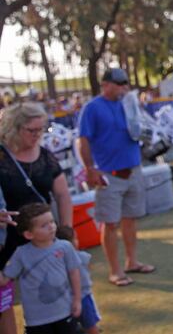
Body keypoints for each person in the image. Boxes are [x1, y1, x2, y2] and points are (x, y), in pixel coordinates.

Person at [78, 68, 155, 287]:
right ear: (106, 85)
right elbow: (83, 140)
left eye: (125, 84)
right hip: (109, 175)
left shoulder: (128, 103)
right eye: (119, 83)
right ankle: (115, 270)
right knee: (110, 223)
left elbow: (142, 128)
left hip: (133, 169)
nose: (123, 87)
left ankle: (132, 261)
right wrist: (89, 168)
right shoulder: (92, 108)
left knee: (131, 219)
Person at [0, 102, 72, 334]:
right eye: (32, 130)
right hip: (7, 238)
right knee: (4, 300)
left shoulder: (45, 155)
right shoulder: (2, 156)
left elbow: (62, 194)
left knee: (52, 291)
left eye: (41, 129)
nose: (38, 135)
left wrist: (67, 230)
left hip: (43, 237)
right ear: (14, 128)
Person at [0, 203, 81, 333]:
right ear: (29, 234)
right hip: (36, 321)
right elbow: (4, 280)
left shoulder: (65, 247)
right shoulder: (21, 254)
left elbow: (74, 272)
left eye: (52, 221)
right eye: (44, 225)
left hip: (65, 312)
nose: (51, 227)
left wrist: (77, 299)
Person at [56, 225, 101, 334]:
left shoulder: (56, 261)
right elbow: (89, 266)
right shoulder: (82, 257)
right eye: (75, 238)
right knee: (90, 324)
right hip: (84, 296)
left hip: (65, 300)